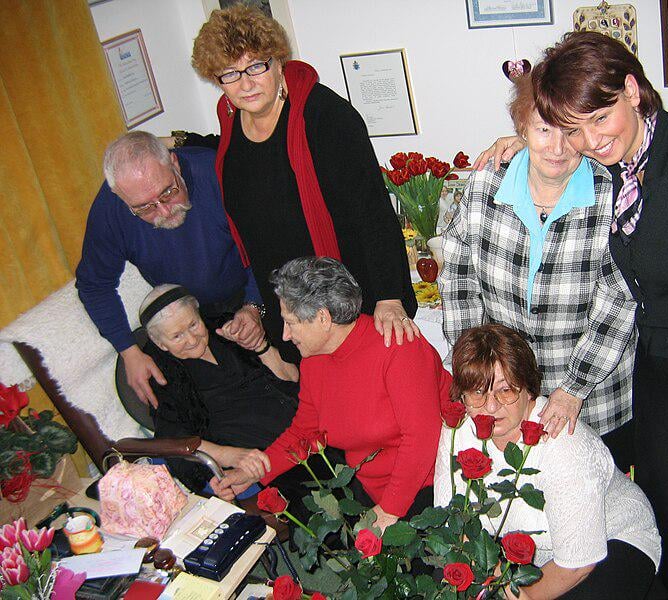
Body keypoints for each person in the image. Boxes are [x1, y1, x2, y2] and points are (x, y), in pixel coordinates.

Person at [480, 32, 668, 599]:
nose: (591, 140)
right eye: (575, 128)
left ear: (632, 91)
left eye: (600, 117)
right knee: (663, 510)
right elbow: (552, 160)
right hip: (656, 364)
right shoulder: (618, 170)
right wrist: (515, 144)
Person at [183, 4, 416, 372]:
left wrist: (390, 297)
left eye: (256, 66)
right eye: (229, 74)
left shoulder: (327, 118)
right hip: (287, 303)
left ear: (278, 61)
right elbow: (248, 165)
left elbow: (373, 212)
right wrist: (180, 139)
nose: (245, 84)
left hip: (348, 297)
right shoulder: (230, 121)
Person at [440, 71, 637, 471]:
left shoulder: (610, 195)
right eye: (544, 129)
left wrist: (572, 389)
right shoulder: (484, 185)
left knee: (594, 499)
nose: (558, 147)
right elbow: (458, 279)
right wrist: (474, 366)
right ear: (521, 128)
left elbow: (618, 302)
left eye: (569, 131)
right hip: (506, 392)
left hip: (591, 395)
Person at [212, 257, 450, 531]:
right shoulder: (314, 360)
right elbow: (305, 433)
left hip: (431, 484)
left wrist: (389, 510)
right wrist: (253, 472)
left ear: (323, 318)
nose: (285, 335)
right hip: (372, 486)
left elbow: (422, 439)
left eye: (291, 323)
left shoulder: (398, 347)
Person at [434, 324, 661, 599]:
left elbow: (578, 563)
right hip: (524, 551)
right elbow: (453, 523)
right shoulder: (457, 431)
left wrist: (516, 596)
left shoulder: (565, 445)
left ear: (529, 389)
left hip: (608, 543)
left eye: (505, 391)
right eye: (478, 392)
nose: (491, 407)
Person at [76, 131, 292, 409]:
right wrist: (128, 350)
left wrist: (254, 306)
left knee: (287, 382)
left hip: (257, 289)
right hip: (188, 316)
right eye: (144, 208)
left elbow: (268, 244)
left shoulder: (218, 173)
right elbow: (94, 285)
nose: (164, 212)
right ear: (120, 197)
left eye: (168, 192)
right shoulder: (110, 210)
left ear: (175, 165)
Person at [138, 284, 301, 498]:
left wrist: (259, 345)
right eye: (177, 336)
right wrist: (233, 457)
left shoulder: (227, 327)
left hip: (303, 427)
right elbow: (174, 438)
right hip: (260, 452)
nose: (192, 339)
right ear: (161, 344)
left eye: (194, 324)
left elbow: (292, 378)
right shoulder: (163, 375)